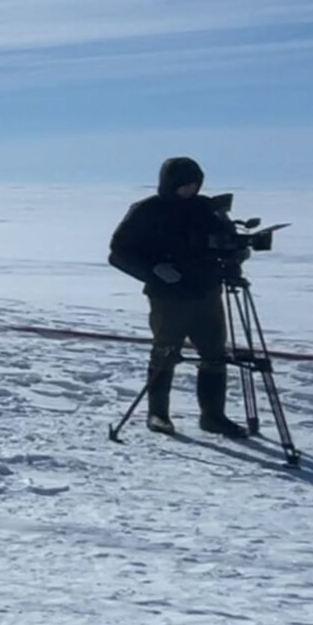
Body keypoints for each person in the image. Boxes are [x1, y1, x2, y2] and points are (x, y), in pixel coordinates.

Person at [107, 156, 249, 438]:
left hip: (207, 292)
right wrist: (153, 270)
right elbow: (118, 253)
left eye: (194, 185)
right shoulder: (147, 211)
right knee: (165, 352)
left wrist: (237, 254)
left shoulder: (208, 209)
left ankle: (213, 416)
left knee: (215, 355)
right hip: (168, 297)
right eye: (184, 185)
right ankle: (158, 414)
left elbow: (225, 242)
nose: (189, 190)